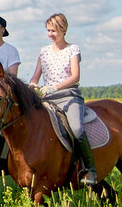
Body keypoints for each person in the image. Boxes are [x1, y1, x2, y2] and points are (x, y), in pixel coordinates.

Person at [28, 13, 97, 188]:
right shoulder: (43, 52)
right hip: (47, 98)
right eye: (48, 30)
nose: (50, 34)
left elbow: (75, 76)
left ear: (64, 30)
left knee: (77, 129)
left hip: (68, 96)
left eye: (54, 30)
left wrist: (55, 87)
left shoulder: (72, 49)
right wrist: (32, 85)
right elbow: (36, 76)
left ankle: (89, 169)